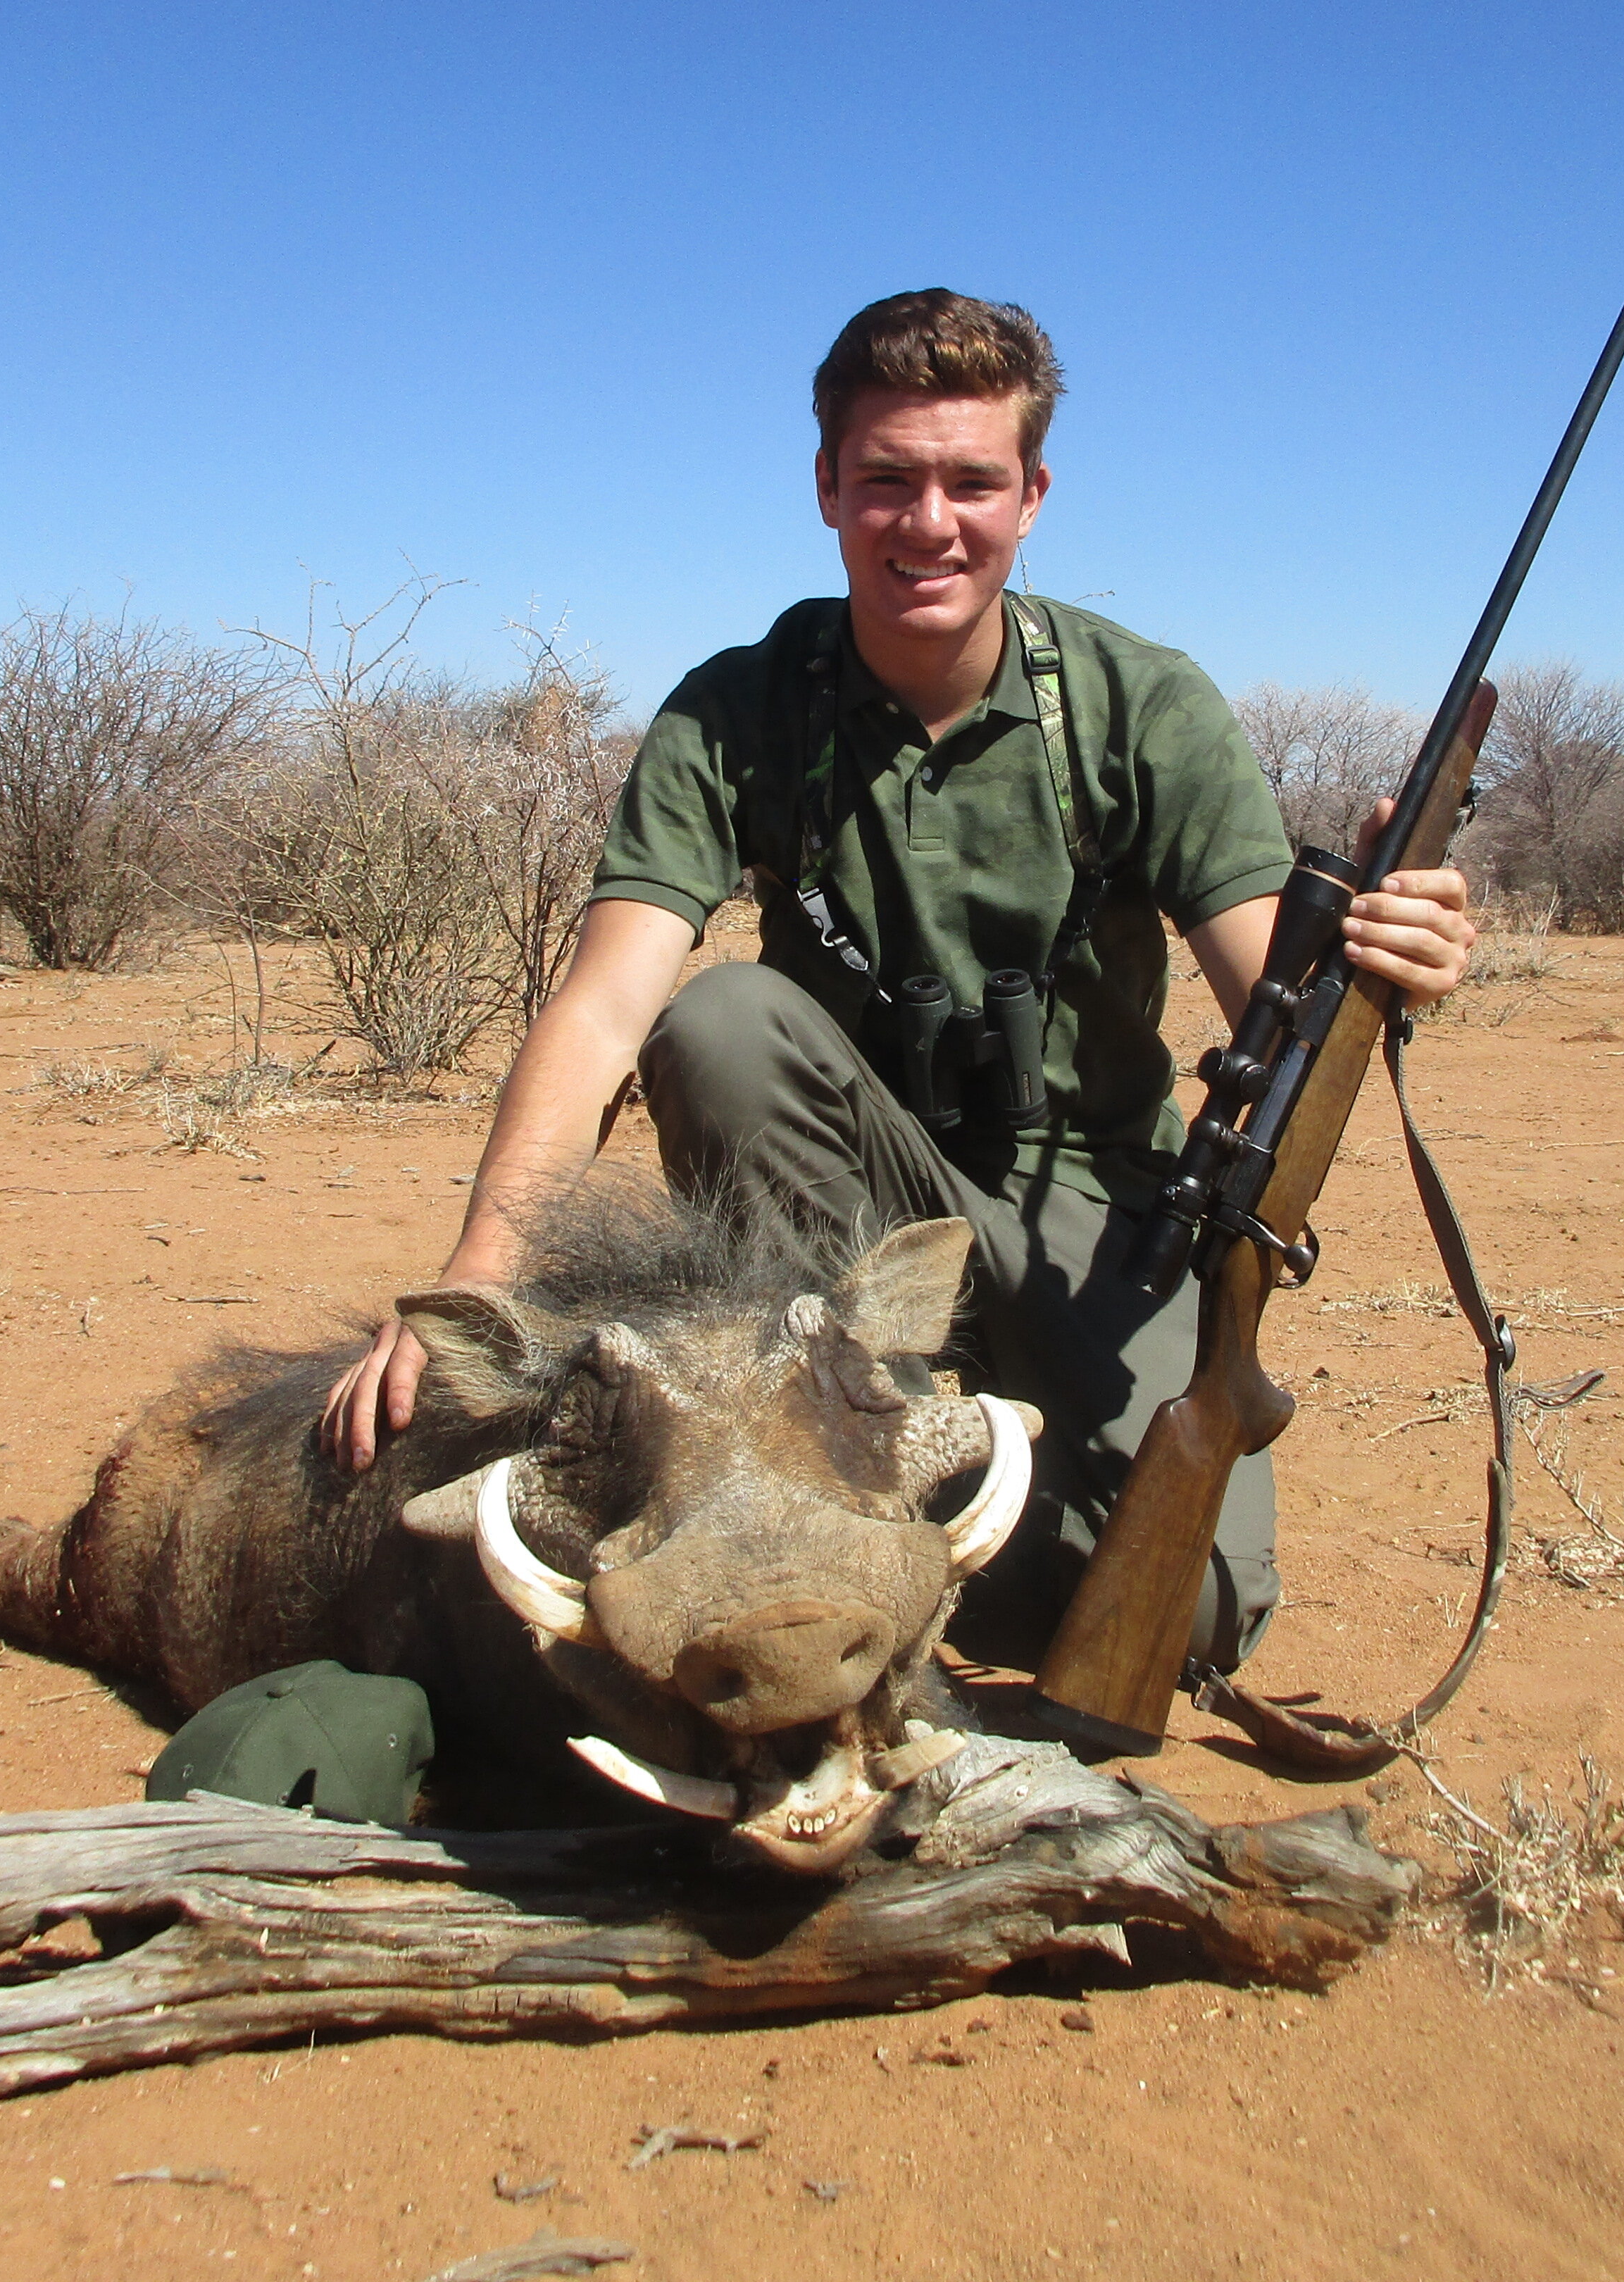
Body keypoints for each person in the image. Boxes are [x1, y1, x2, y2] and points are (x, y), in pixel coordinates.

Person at [319, 288, 1478, 1673]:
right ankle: (850, 1447)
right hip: (843, 1218)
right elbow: (603, 1005)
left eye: (970, 481)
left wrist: (1374, 962)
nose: (927, 521)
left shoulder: (1141, 704)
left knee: (1200, 1624)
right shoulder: (735, 708)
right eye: (884, 478)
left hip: (1095, 1203)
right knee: (721, 1020)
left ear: (1032, 493)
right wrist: (478, 1271)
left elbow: (1267, 1001)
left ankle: (895, 1497)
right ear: (824, 486)